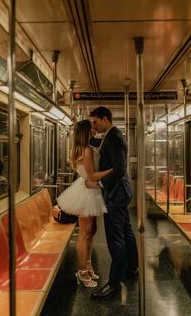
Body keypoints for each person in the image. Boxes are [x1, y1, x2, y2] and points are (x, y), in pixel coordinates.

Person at [86, 106, 138, 299]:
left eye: (95, 122)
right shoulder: (111, 135)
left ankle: (114, 284)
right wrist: (90, 138)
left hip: (116, 194)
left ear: (105, 119)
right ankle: (132, 268)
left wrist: (98, 182)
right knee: (126, 232)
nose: (94, 125)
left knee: (115, 238)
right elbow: (102, 145)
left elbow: (119, 169)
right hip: (122, 192)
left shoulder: (114, 137)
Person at [56, 119, 112, 288]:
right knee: (85, 234)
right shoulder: (86, 150)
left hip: (90, 190)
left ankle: (88, 266)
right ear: (87, 132)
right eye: (92, 128)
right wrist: (113, 170)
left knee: (91, 231)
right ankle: (81, 271)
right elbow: (93, 176)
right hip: (87, 191)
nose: (95, 129)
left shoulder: (83, 148)